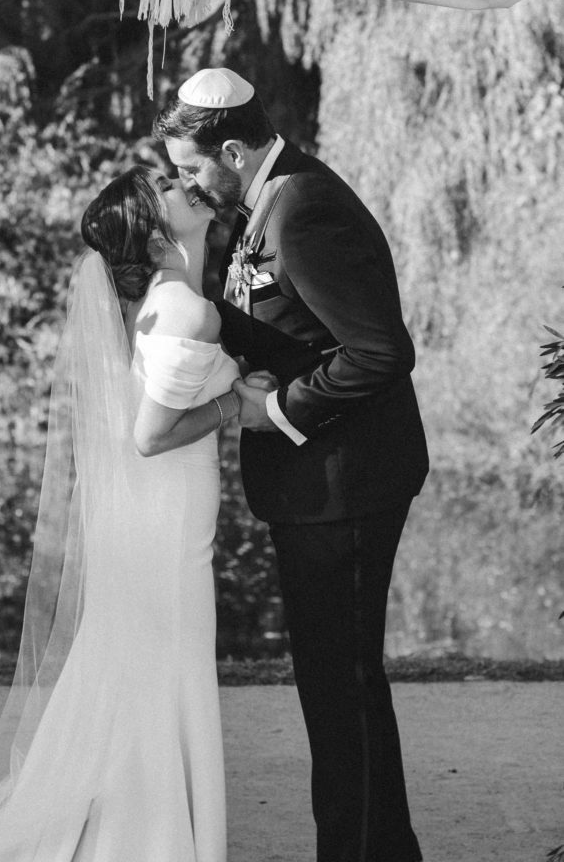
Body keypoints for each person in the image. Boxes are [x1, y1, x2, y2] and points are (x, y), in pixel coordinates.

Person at [0, 164, 275, 862]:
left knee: (145, 658)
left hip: (152, 510)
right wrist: (238, 405)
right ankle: (155, 835)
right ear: (158, 232)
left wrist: (232, 380)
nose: (183, 185)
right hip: (165, 510)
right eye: (167, 189)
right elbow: (149, 433)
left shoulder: (168, 300)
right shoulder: (185, 307)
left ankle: (140, 821)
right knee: (167, 658)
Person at [153, 68, 430, 862]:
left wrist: (270, 410)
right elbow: (292, 327)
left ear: (231, 151)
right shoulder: (265, 200)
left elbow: (379, 351)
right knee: (333, 682)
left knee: (339, 684)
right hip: (317, 486)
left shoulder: (302, 207)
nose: (185, 182)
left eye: (190, 167)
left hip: (344, 482)